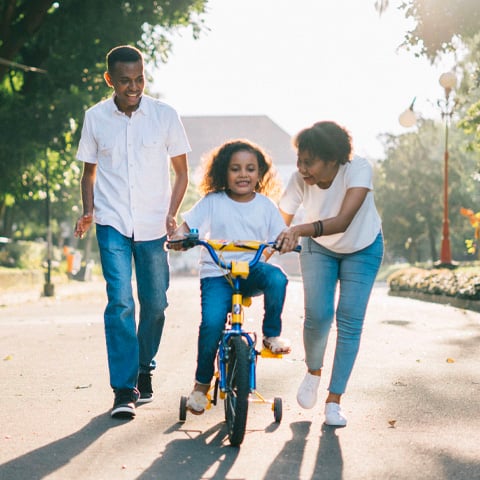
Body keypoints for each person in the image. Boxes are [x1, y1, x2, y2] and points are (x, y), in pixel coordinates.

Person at [73, 45, 191, 419]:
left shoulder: (164, 115)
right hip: (111, 223)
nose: (134, 86)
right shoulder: (95, 118)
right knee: (121, 302)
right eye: (125, 81)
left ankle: (144, 368)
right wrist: (89, 210)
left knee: (155, 304)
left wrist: (172, 214)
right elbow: (88, 172)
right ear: (110, 80)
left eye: (139, 79)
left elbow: (182, 172)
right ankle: (124, 388)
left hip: (155, 225)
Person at [169, 139, 291, 414]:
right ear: (224, 172)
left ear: (260, 174)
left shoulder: (266, 206)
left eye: (250, 168)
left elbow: (279, 236)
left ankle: (271, 334)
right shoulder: (213, 201)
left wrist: (284, 242)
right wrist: (180, 237)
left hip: (250, 271)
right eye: (235, 169)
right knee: (212, 324)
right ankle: (201, 386)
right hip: (217, 273)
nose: (243, 174)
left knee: (278, 279)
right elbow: (187, 227)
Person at [276, 121, 383, 427]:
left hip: (363, 246)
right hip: (319, 248)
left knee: (349, 319)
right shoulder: (300, 180)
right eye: (299, 160)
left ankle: (334, 400)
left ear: (333, 159)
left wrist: (299, 229)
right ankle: (313, 371)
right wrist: (265, 248)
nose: (301, 168)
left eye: (309, 162)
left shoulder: (358, 169)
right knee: (318, 315)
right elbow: (278, 222)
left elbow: (344, 220)